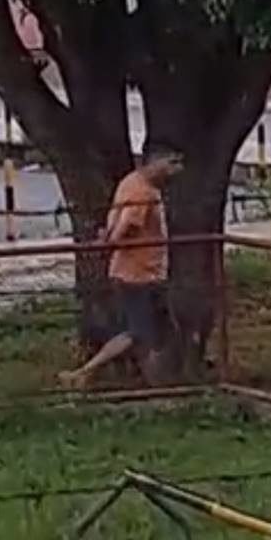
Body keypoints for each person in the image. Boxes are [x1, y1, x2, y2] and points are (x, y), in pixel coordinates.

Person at [58, 145, 185, 388]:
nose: (177, 170)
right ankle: (84, 373)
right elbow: (126, 226)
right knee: (136, 333)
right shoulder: (142, 192)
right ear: (156, 162)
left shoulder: (132, 182)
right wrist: (108, 243)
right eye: (173, 163)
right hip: (138, 274)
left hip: (145, 272)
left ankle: (163, 380)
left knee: (162, 330)